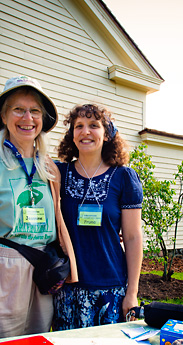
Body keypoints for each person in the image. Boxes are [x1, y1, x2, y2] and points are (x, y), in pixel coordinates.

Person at [0, 76, 78, 341]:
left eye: (35, 111)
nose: (27, 117)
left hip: (42, 271)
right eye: (18, 109)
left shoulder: (50, 167)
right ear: (4, 116)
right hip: (1, 268)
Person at [53, 103, 143, 330]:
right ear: (72, 135)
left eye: (94, 125)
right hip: (68, 289)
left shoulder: (124, 177)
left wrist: (132, 293)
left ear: (107, 134)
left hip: (110, 289)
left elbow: (132, 238)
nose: (85, 132)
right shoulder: (58, 174)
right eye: (79, 126)